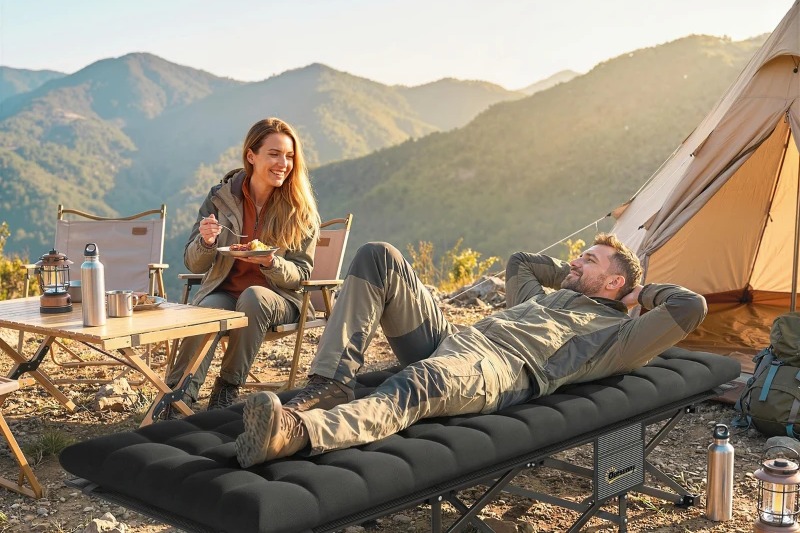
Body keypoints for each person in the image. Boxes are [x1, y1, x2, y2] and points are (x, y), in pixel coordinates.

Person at [234, 235, 707, 466]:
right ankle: (330, 384)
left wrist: (635, 295)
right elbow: (520, 262)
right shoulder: (545, 297)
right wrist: (573, 270)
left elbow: (690, 307)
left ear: (615, 281)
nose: (577, 260)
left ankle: (297, 431)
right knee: (378, 255)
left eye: (589, 259)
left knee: (418, 383)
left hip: (497, 369)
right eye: (580, 255)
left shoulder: (615, 335)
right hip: (452, 338)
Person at [165, 118, 319, 414]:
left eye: (289, 156)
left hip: (279, 297)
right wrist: (207, 242)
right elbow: (193, 262)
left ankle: (227, 387)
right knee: (205, 310)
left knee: (254, 296)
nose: (283, 163)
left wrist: (272, 262)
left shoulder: (300, 210)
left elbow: (301, 275)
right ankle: (178, 397)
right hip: (226, 290)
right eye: (274, 154)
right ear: (251, 156)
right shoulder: (219, 199)